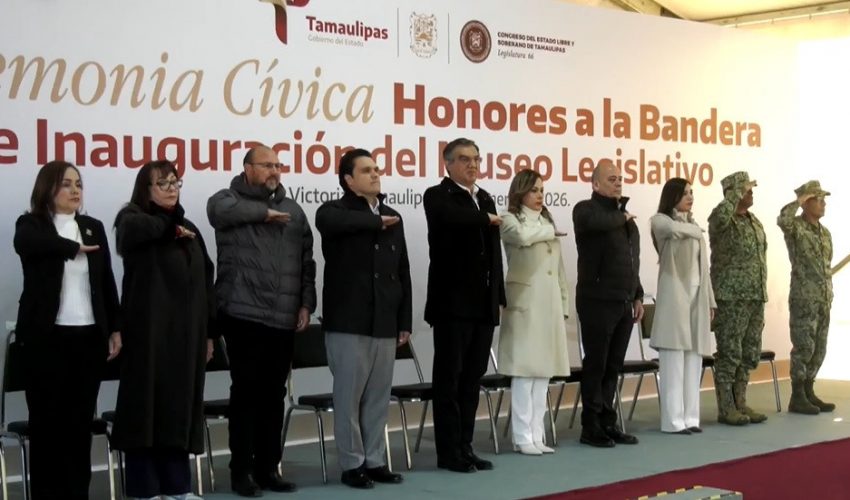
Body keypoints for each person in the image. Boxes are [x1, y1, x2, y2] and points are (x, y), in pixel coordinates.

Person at [207, 144, 316, 496]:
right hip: (243, 313)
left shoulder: (293, 210)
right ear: (248, 168)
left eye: (278, 165)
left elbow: (307, 262)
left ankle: (269, 469)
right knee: (246, 394)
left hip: (283, 316)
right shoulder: (227, 200)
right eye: (267, 165)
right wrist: (264, 214)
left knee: (273, 395)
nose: (274, 171)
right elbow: (217, 212)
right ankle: (241, 471)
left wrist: (306, 303)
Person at [13, 160, 121, 500]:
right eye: (67, 184)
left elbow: (106, 281)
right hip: (46, 340)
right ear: (48, 189)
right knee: (47, 428)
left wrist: (115, 328)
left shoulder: (92, 227)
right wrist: (72, 248)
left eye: (79, 184)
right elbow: (27, 243)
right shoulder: (32, 225)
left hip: (87, 339)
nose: (76, 190)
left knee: (78, 427)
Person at [112, 160, 215, 500]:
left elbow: (206, 278)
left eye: (175, 182)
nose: (172, 189)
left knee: (178, 410)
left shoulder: (187, 227)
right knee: (146, 410)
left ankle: (177, 487)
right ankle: (144, 489)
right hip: (148, 335)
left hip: (187, 337)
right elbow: (135, 233)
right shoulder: (132, 219)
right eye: (163, 183)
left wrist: (209, 333)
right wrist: (171, 227)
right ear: (146, 189)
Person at [315, 148, 411, 488]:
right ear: (348, 179)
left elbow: (402, 271)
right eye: (366, 170)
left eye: (376, 169)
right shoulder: (333, 211)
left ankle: (375, 460)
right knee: (349, 398)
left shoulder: (392, 215)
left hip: (384, 319)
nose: (375, 174)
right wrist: (375, 222)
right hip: (349, 320)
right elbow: (332, 223)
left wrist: (404, 320)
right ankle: (352, 464)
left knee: (377, 398)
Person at [424, 138, 505, 473]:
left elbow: (495, 253)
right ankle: (448, 451)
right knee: (449, 380)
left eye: (476, 159)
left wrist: (498, 295)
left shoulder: (484, 197)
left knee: (473, 378)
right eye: (464, 159)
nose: (472, 165)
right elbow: (452, 219)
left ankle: (465, 446)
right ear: (448, 164)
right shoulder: (437, 195)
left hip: (483, 304)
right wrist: (485, 219)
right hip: (452, 304)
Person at [497, 169, 570, 455]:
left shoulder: (547, 221)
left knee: (543, 374)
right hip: (525, 303)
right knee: (524, 372)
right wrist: (550, 231)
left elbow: (559, 269)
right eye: (534, 190)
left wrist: (564, 303)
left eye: (542, 190)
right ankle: (522, 436)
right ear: (520, 192)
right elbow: (523, 237)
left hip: (549, 304)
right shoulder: (509, 219)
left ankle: (537, 434)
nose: (539, 195)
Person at [572, 159, 643, 448]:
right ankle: (591, 426)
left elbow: (632, 261)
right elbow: (600, 224)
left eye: (620, 179)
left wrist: (638, 294)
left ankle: (607, 422)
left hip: (623, 301)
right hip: (596, 300)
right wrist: (622, 216)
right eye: (611, 179)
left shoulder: (626, 221)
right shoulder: (585, 211)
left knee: (613, 366)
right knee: (596, 365)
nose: (618, 183)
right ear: (596, 183)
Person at [649, 178, 716, 435]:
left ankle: (690, 418)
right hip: (675, 298)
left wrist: (710, 300)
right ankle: (673, 420)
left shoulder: (694, 226)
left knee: (693, 358)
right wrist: (695, 231)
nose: (690, 197)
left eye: (691, 193)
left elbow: (704, 269)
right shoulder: (660, 221)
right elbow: (671, 228)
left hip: (697, 297)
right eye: (685, 193)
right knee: (674, 360)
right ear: (672, 196)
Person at [708, 171, 768, 426]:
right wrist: (734, 195)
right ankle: (726, 408)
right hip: (731, 298)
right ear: (732, 192)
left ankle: (740, 402)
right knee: (729, 353)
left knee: (749, 353)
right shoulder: (722, 220)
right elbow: (719, 217)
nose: (750, 192)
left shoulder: (754, 221)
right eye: (745, 188)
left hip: (755, 296)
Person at [777, 180, 835, 414]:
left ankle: (809, 390)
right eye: (818, 199)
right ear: (806, 202)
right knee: (804, 347)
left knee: (819, 348)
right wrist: (799, 200)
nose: (823, 204)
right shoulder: (796, 228)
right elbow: (783, 219)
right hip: (804, 298)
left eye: (823, 200)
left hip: (823, 298)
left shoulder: (825, 233)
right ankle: (798, 395)